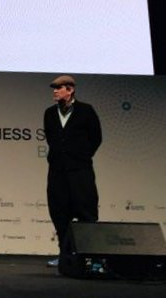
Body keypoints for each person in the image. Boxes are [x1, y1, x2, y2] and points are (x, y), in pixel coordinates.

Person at [43, 75, 102, 267]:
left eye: (58, 88)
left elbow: (96, 137)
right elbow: (50, 138)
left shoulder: (86, 110)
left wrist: (81, 156)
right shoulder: (50, 113)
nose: (55, 91)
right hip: (57, 171)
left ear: (70, 90)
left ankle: (90, 255)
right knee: (59, 212)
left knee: (86, 211)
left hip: (80, 171)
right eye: (54, 88)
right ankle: (64, 255)